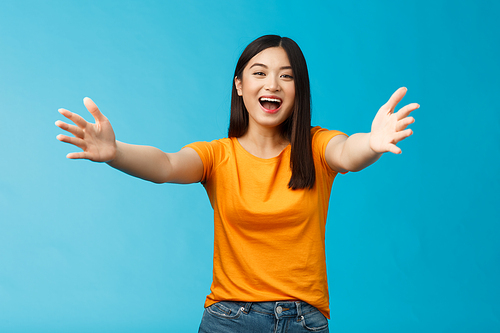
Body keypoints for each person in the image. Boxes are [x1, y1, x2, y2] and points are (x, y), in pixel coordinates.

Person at [56, 35, 418, 333]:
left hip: (303, 322)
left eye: (286, 76)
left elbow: (347, 153)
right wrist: (115, 151)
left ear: (298, 90)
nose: (272, 85)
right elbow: (166, 165)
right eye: (259, 73)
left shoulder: (316, 146)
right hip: (229, 320)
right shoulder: (218, 156)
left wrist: (371, 143)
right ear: (240, 85)